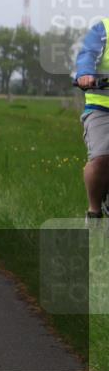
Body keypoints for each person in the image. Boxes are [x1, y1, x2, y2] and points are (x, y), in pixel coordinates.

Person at [75, 17, 109, 227]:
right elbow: (88, 54)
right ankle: (94, 210)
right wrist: (86, 73)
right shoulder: (103, 28)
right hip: (102, 107)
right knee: (101, 158)